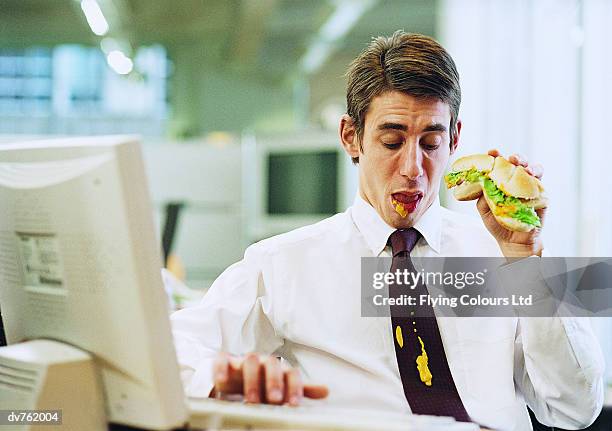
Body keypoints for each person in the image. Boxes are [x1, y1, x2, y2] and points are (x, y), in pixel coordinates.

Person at [170, 31, 604, 430]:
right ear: (351, 137)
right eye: (392, 141)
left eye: (431, 143)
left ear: (455, 139)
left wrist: (526, 260)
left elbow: (572, 408)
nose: (413, 168)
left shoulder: (503, 256)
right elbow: (170, 348)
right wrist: (227, 377)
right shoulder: (283, 264)